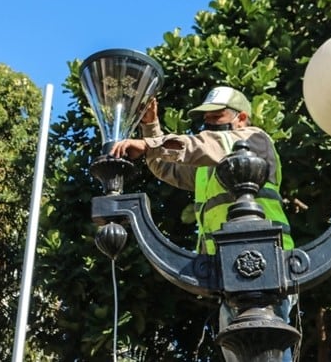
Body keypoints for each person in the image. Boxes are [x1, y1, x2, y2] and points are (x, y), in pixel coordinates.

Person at [110, 86, 294, 361]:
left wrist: (148, 144)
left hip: (268, 262)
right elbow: (165, 165)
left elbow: (202, 145)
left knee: (269, 347)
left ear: (241, 118)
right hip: (226, 269)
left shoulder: (255, 139)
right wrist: (150, 126)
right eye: (205, 119)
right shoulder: (207, 165)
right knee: (238, 350)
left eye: (216, 116)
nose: (208, 123)